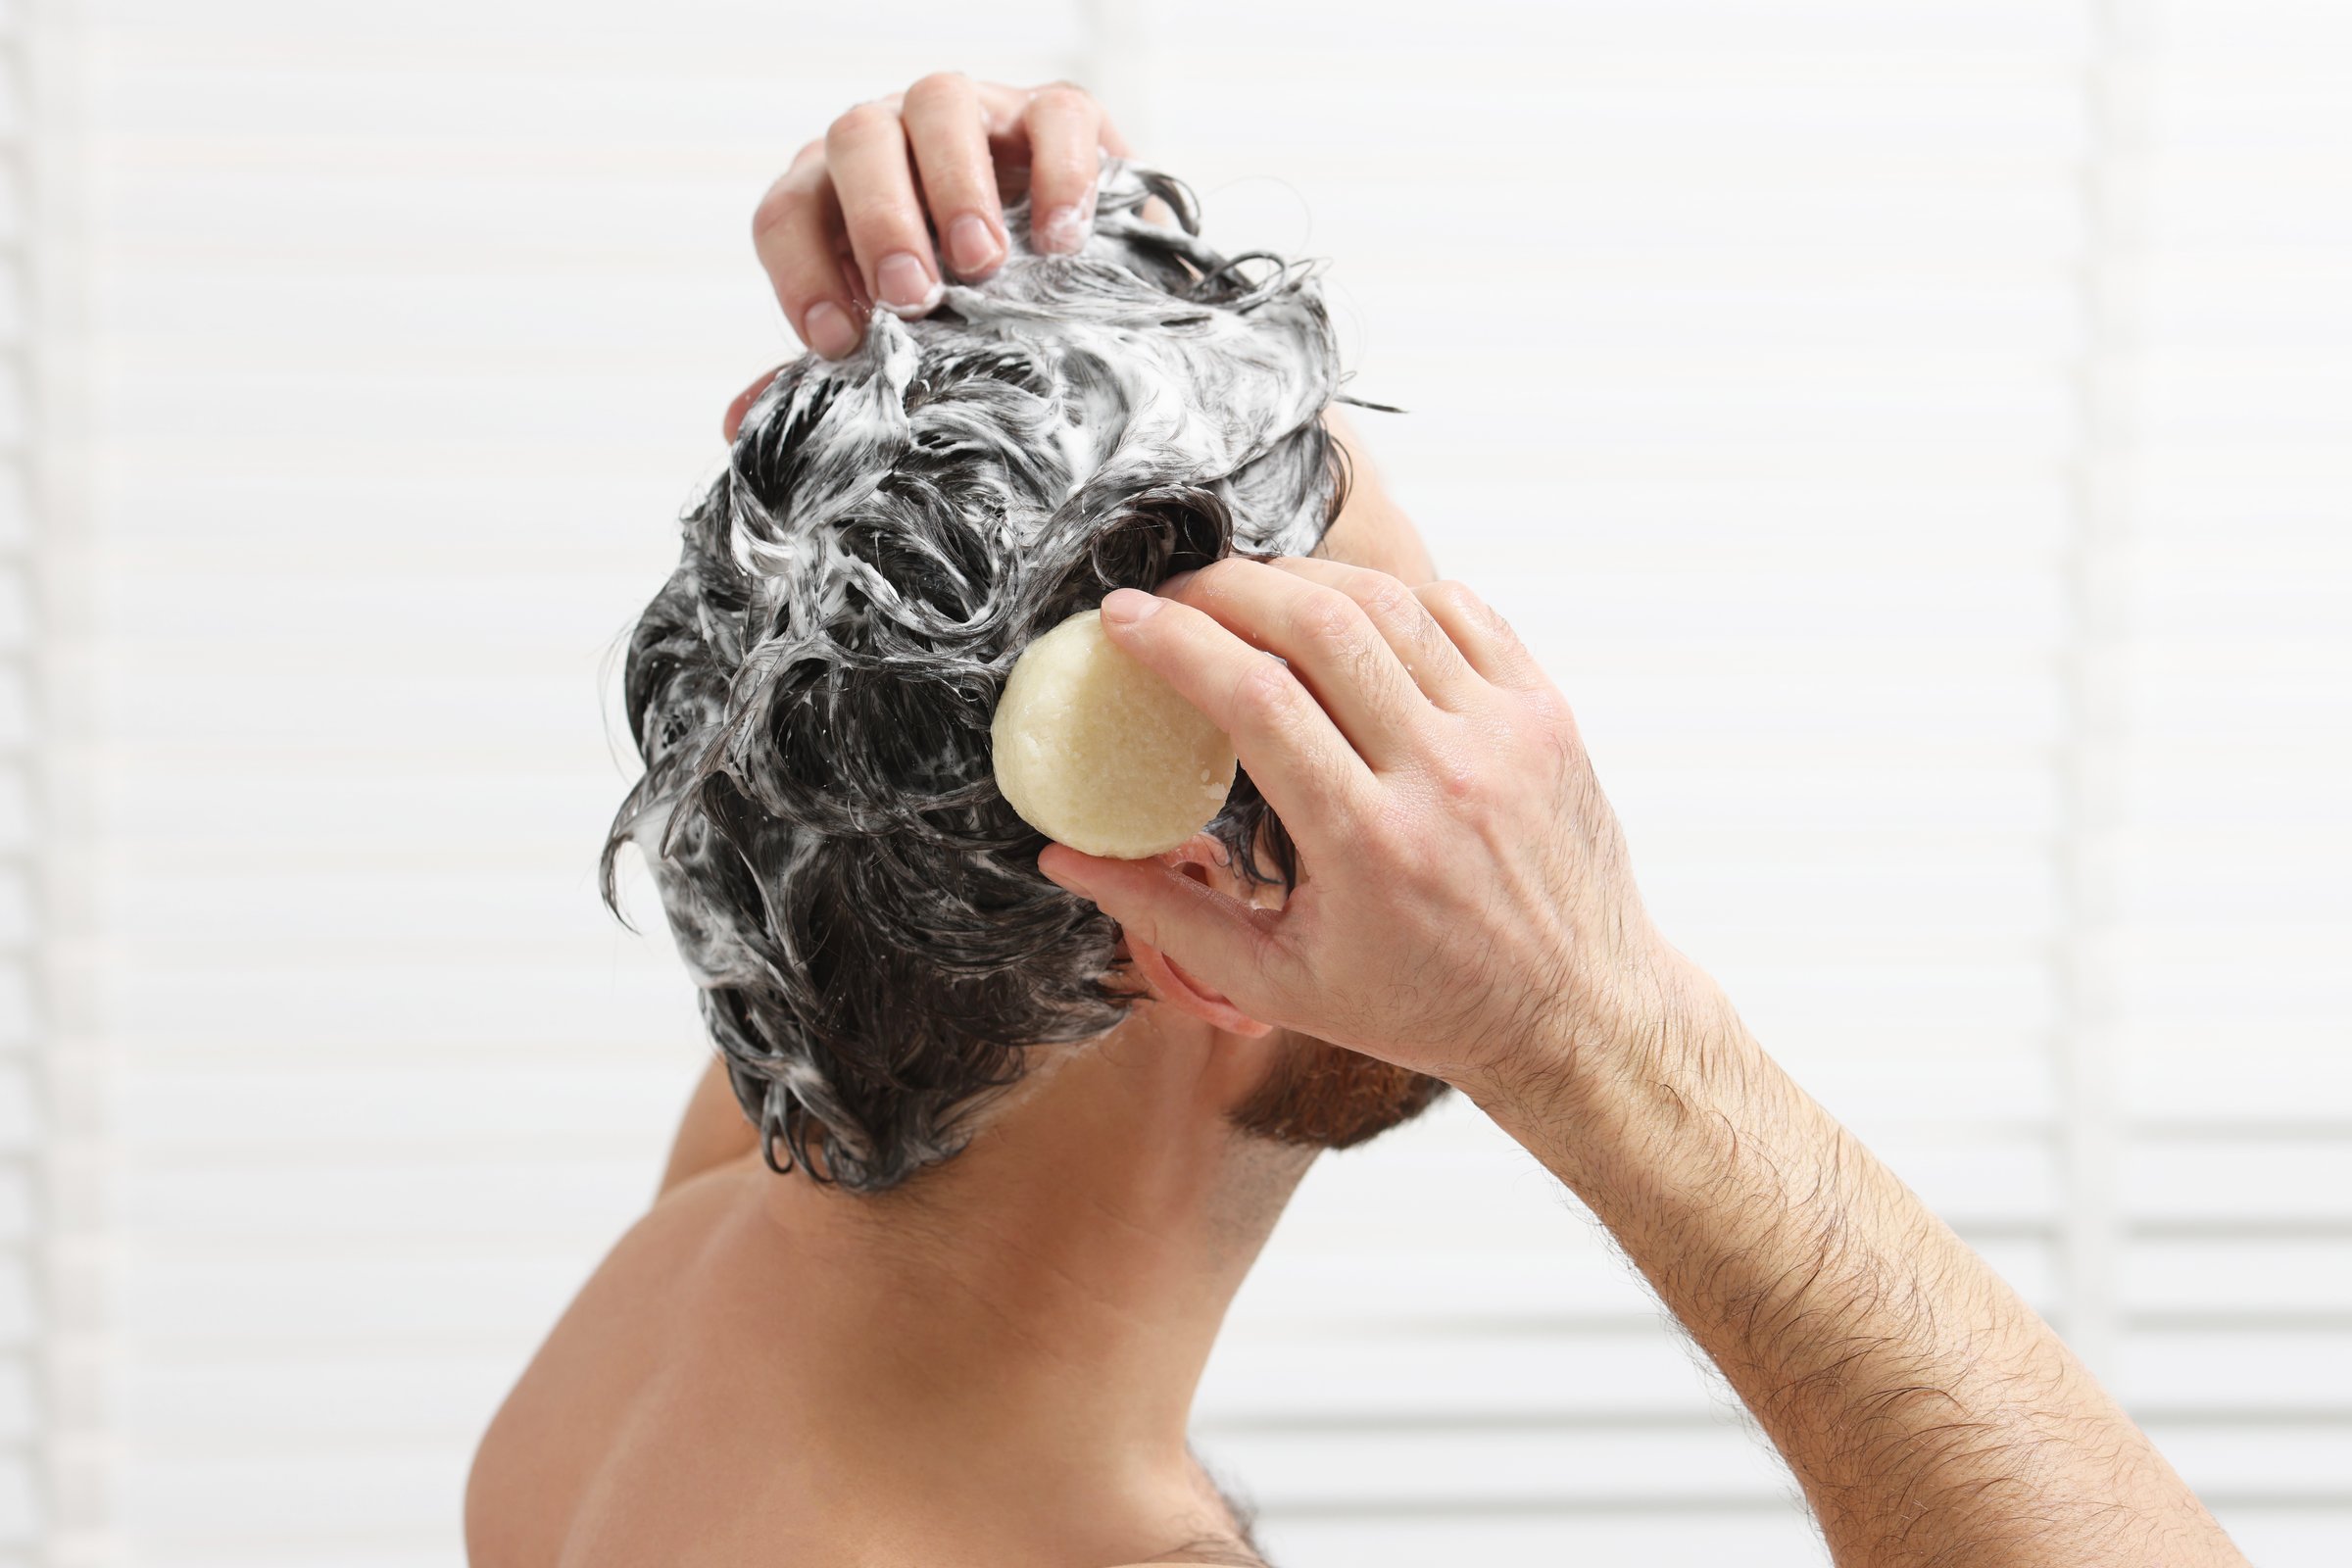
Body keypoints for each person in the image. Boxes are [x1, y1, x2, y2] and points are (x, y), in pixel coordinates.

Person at [465, 75, 2250, 1568]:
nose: (1512, 762)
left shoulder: (710, 1261)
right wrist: (1598, 1013)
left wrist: (979, 293)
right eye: (1402, 674)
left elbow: (880, 704)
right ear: (1186, 903)